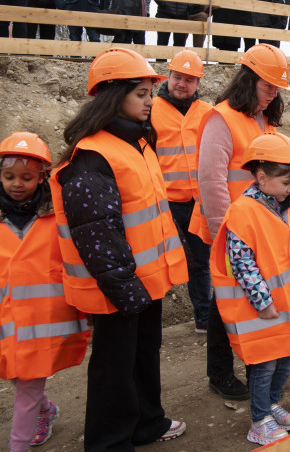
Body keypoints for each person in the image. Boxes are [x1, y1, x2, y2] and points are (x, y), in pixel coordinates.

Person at [51, 49, 188, 450]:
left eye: (150, 93)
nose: (150, 101)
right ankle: (109, 442)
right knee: (114, 367)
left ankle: (147, 423)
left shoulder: (135, 144)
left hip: (143, 281)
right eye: (142, 93)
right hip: (117, 288)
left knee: (143, 355)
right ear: (114, 95)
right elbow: (97, 234)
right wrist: (126, 289)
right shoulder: (93, 157)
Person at [190, 43, 290, 401]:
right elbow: (212, 181)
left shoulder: (265, 120)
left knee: (248, 298)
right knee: (226, 301)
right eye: (267, 87)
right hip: (232, 231)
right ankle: (219, 373)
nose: (272, 94)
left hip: (258, 229)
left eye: (277, 88)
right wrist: (225, 235)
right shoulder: (221, 118)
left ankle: (256, 366)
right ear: (249, 81)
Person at [210, 133, 290, 446]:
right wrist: (262, 301)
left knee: (286, 359)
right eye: (286, 183)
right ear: (261, 177)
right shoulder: (242, 212)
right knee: (264, 364)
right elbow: (243, 264)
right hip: (262, 310)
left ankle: (270, 404)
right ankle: (259, 420)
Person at [0, 132, 90, 451]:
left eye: (27, 177)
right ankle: (46, 408)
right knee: (15, 377)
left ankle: (18, 445)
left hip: (37, 330)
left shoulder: (56, 219)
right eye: (9, 176)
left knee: (25, 388)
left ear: (42, 177)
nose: (17, 183)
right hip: (5, 326)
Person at [151, 50, 213, 333]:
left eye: (189, 79)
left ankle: (203, 318)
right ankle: (148, 323)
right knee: (158, 262)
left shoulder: (208, 113)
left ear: (198, 83)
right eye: (178, 77)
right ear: (168, 75)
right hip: (164, 203)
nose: (182, 84)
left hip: (199, 202)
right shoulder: (150, 110)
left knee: (201, 263)